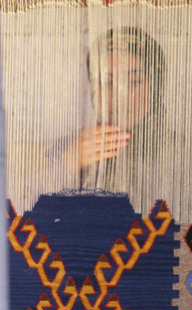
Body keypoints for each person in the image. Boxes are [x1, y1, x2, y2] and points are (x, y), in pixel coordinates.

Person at [48, 27, 169, 210]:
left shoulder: (187, 158)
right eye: (107, 82)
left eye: (134, 81)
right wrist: (68, 166)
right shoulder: (66, 150)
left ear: (157, 86)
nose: (120, 97)